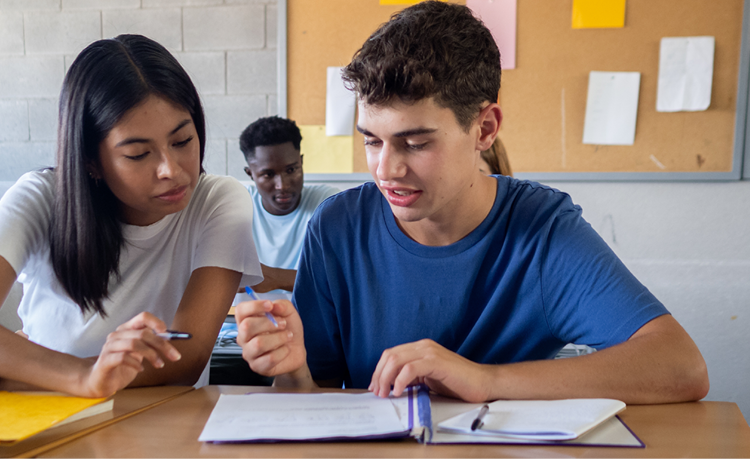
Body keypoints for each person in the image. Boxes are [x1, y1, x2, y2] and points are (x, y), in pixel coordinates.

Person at [235, 1, 708, 404]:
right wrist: (290, 369)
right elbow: (309, 394)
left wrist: (484, 379)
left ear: (484, 129)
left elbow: (681, 366)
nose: (386, 170)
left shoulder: (541, 230)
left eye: (415, 143)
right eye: (372, 142)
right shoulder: (337, 228)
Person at [0, 35, 262, 398]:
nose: (170, 169)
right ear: (91, 161)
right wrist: (84, 377)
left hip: (153, 412)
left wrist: (4, 378)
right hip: (39, 412)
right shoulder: (42, 195)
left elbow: (187, 356)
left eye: (183, 141)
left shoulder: (218, 199)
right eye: (139, 154)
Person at [239, 116, 338, 293]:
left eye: (291, 170)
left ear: (301, 163)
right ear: (250, 174)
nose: (282, 185)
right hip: (242, 318)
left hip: (303, 320)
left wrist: (275, 277)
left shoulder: (328, 204)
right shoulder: (236, 205)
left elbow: (342, 279)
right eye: (268, 174)